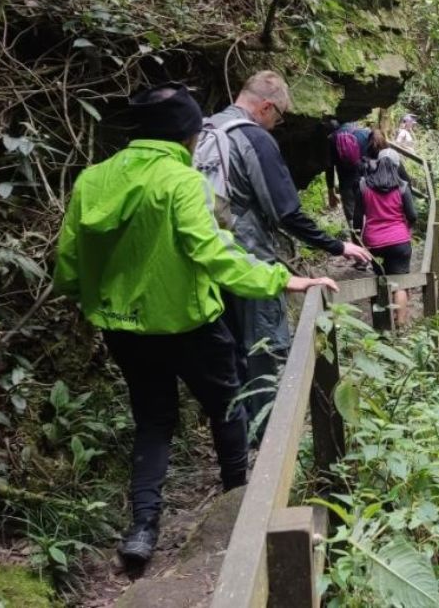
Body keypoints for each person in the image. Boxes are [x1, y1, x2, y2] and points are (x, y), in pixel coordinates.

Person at [54, 83, 339, 565]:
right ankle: (237, 502)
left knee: (153, 420)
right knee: (228, 408)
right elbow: (214, 253)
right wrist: (281, 280)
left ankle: (142, 529)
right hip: (189, 323)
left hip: (123, 328)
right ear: (188, 136)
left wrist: (93, 300)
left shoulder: (92, 180)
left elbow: (68, 262)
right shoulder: (181, 181)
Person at [205, 71, 370, 437]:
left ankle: (233, 437)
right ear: (265, 106)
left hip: (203, 257)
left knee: (227, 349)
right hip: (250, 260)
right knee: (263, 347)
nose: (278, 125)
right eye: (278, 117)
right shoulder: (253, 139)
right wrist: (338, 245)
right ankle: (267, 443)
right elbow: (286, 213)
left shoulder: (204, 130)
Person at [355, 130, 417, 326]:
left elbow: (358, 217)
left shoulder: (364, 185)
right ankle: (401, 325)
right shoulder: (402, 187)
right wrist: (409, 229)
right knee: (399, 283)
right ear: (397, 165)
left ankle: (382, 327)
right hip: (399, 240)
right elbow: (413, 215)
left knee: (380, 281)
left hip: (374, 243)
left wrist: (357, 239)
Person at [325, 119, 371, 233]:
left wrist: (331, 191)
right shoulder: (364, 134)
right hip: (367, 182)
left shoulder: (332, 139)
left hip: (347, 185)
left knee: (353, 220)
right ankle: (375, 243)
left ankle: (358, 246)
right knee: (371, 215)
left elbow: (329, 167)